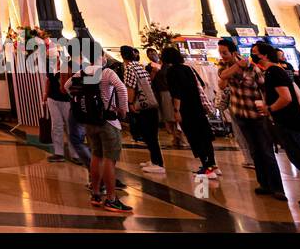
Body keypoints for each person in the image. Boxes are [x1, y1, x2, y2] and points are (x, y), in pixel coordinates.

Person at [253, 41, 300, 214]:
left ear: (264, 55)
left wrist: (269, 109)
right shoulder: (276, 71)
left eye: (255, 52)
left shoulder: (274, 72)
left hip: (291, 123)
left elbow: (286, 98)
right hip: (290, 123)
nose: (253, 56)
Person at [217, 38, 283, 200]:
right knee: (254, 151)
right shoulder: (224, 67)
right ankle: (264, 184)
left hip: (257, 115)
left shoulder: (253, 68)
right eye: (220, 53)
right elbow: (222, 82)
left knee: (266, 151)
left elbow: (264, 89)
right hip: (240, 114)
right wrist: (237, 65)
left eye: (225, 53)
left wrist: (268, 109)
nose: (222, 56)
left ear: (234, 52)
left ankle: (277, 187)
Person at [77, 56, 132, 213]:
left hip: (90, 122)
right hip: (108, 122)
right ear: (100, 57)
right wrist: (123, 110)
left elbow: (68, 87)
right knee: (109, 160)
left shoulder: (82, 73)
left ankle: (95, 194)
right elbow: (121, 89)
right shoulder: (107, 72)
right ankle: (111, 199)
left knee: (96, 156)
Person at [162, 46, 217, 178]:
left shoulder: (171, 72)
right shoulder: (187, 68)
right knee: (204, 136)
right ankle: (212, 164)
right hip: (197, 106)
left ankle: (206, 167)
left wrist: (176, 110)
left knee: (195, 137)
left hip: (186, 109)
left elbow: (176, 93)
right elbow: (201, 86)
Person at [120, 45, 164, 174]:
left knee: (149, 134)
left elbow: (131, 87)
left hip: (142, 105)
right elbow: (148, 81)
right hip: (150, 103)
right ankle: (154, 159)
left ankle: (158, 163)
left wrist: (130, 103)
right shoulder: (139, 66)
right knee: (151, 134)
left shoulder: (129, 68)